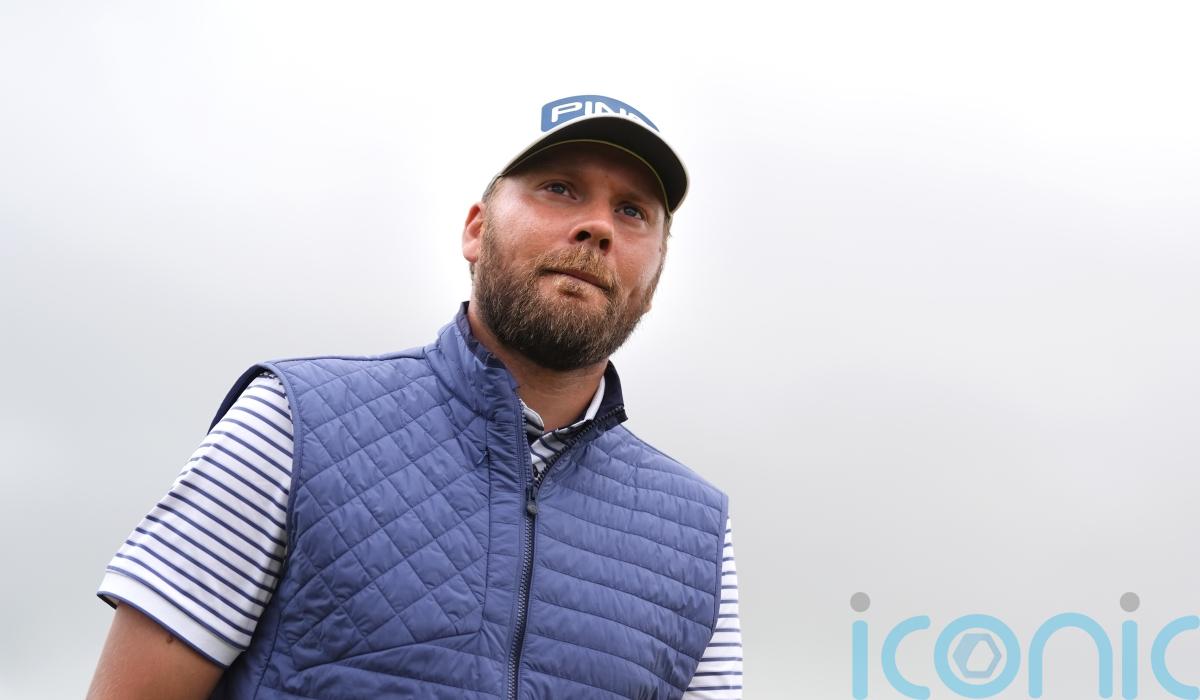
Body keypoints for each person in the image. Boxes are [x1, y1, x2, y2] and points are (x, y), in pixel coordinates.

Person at [87, 95, 742, 699]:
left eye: (632, 211)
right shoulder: (290, 423)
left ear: (654, 280)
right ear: (476, 231)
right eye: (559, 188)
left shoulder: (698, 534)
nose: (597, 225)